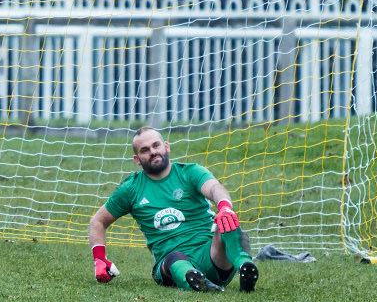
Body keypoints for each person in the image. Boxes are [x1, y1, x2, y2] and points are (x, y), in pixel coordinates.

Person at [86, 126, 258, 293]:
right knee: (174, 258)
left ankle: (246, 268)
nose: (153, 152)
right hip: (171, 265)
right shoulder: (131, 189)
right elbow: (98, 221)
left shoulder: (189, 172)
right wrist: (99, 259)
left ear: (166, 147)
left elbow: (214, 188)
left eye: (156, 145)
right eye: (145, 150)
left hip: (211, 255)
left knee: (227, 222)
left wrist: (225, 207)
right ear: (137, 159)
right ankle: (195, 280)